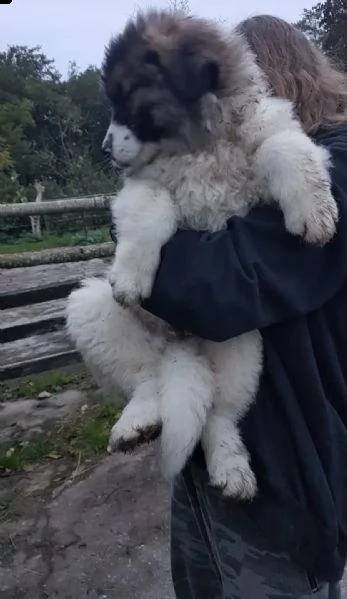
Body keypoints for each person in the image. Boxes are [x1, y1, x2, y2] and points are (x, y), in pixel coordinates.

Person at [139, 15, 347, 599]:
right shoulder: (224, 166)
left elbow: (222, 286)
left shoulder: (333, 160)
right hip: (205, 450)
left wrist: (143, 246)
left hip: (287, 466)